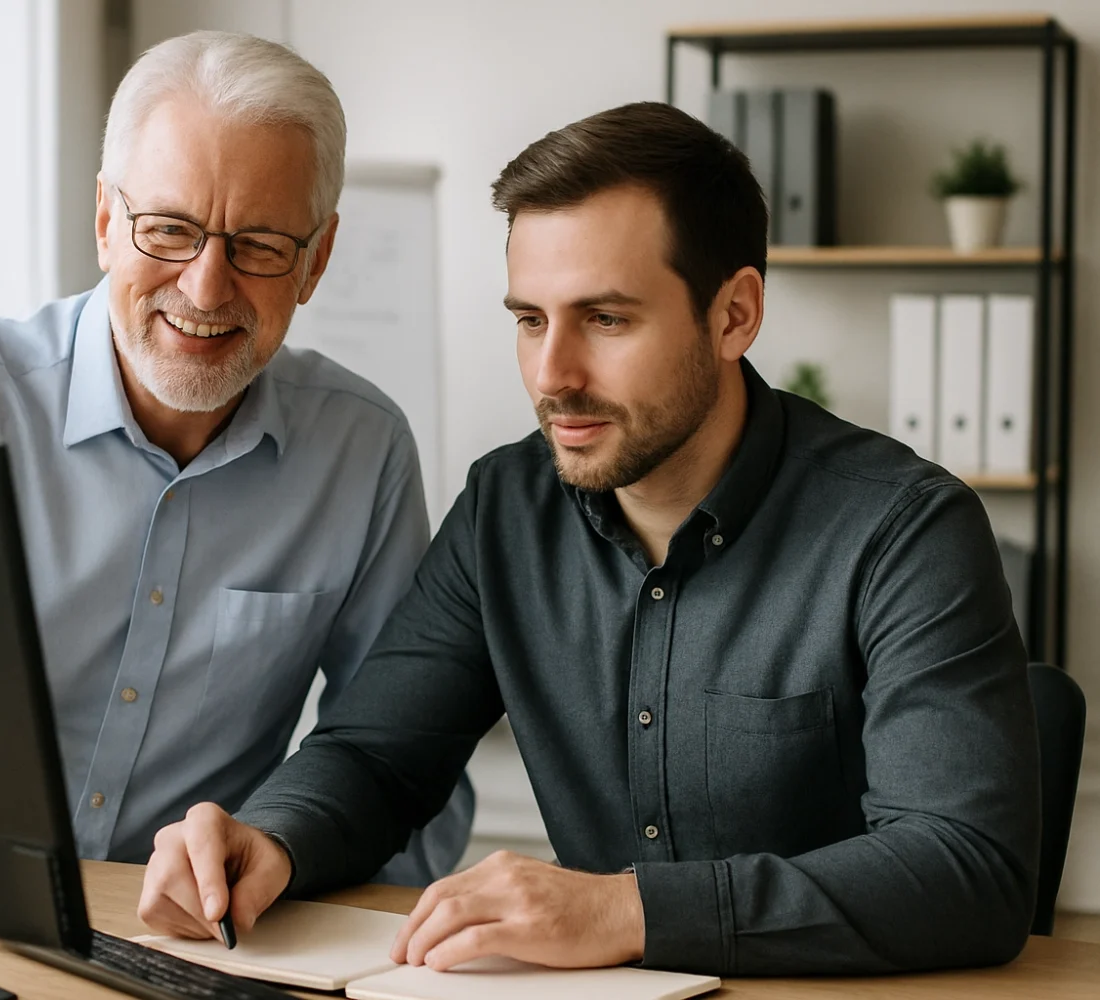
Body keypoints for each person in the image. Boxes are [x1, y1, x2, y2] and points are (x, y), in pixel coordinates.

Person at [137, 101, 1041, 976]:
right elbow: (377, 758)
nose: (552, 375)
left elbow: (967, 867)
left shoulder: (905, 530)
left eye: (606, 320)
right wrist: (272, 839)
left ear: (734, 315)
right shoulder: (504, 508)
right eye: (530, 320)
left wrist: (626, 911)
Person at [0, 31, 472, 884]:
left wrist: (308, 897)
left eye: (259, 244)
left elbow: (404, 766)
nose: (206, 286)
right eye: (169, 230)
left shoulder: (360, 453)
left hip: (203, 935)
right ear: (106, 223)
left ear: (316, 261)